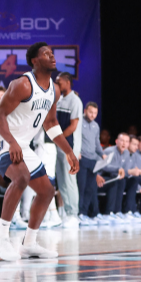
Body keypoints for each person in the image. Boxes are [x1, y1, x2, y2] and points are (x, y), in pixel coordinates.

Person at [0, 43, 79, 261]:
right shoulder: (22, 85)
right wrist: (12, 142)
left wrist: (68, 151)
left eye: (52, 53)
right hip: (0, 140)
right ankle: (1, 238)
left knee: (46, 190)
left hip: (21, 144)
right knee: (21, 178)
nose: (52, 56)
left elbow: (51, 123)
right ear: (34, 61)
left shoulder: (54, 90)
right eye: (46, 54)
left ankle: (29, 244)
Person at [54, 72, 83, 228]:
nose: (57, 84)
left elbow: (73, 126)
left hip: (69, 147)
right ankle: (67, 213)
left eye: (59, 82)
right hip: (58, 146)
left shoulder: (75, 101)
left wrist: (58, 137)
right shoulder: (58, 100)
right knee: (62, 181)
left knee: (70, 181)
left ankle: (74, 214)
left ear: (67, 82)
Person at [77, 102, 102, 224]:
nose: (92, 115)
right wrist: (76, 151)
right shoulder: (79, 122)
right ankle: (79, 213)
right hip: (82, 158)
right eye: (91, 112)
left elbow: (97, 142)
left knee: (90, 188)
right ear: (85, 110)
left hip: (93, 160)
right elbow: (75, 138)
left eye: (95, 113)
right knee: (81, 187)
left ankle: (85, 213)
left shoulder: (96, 126)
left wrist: (102, 154)